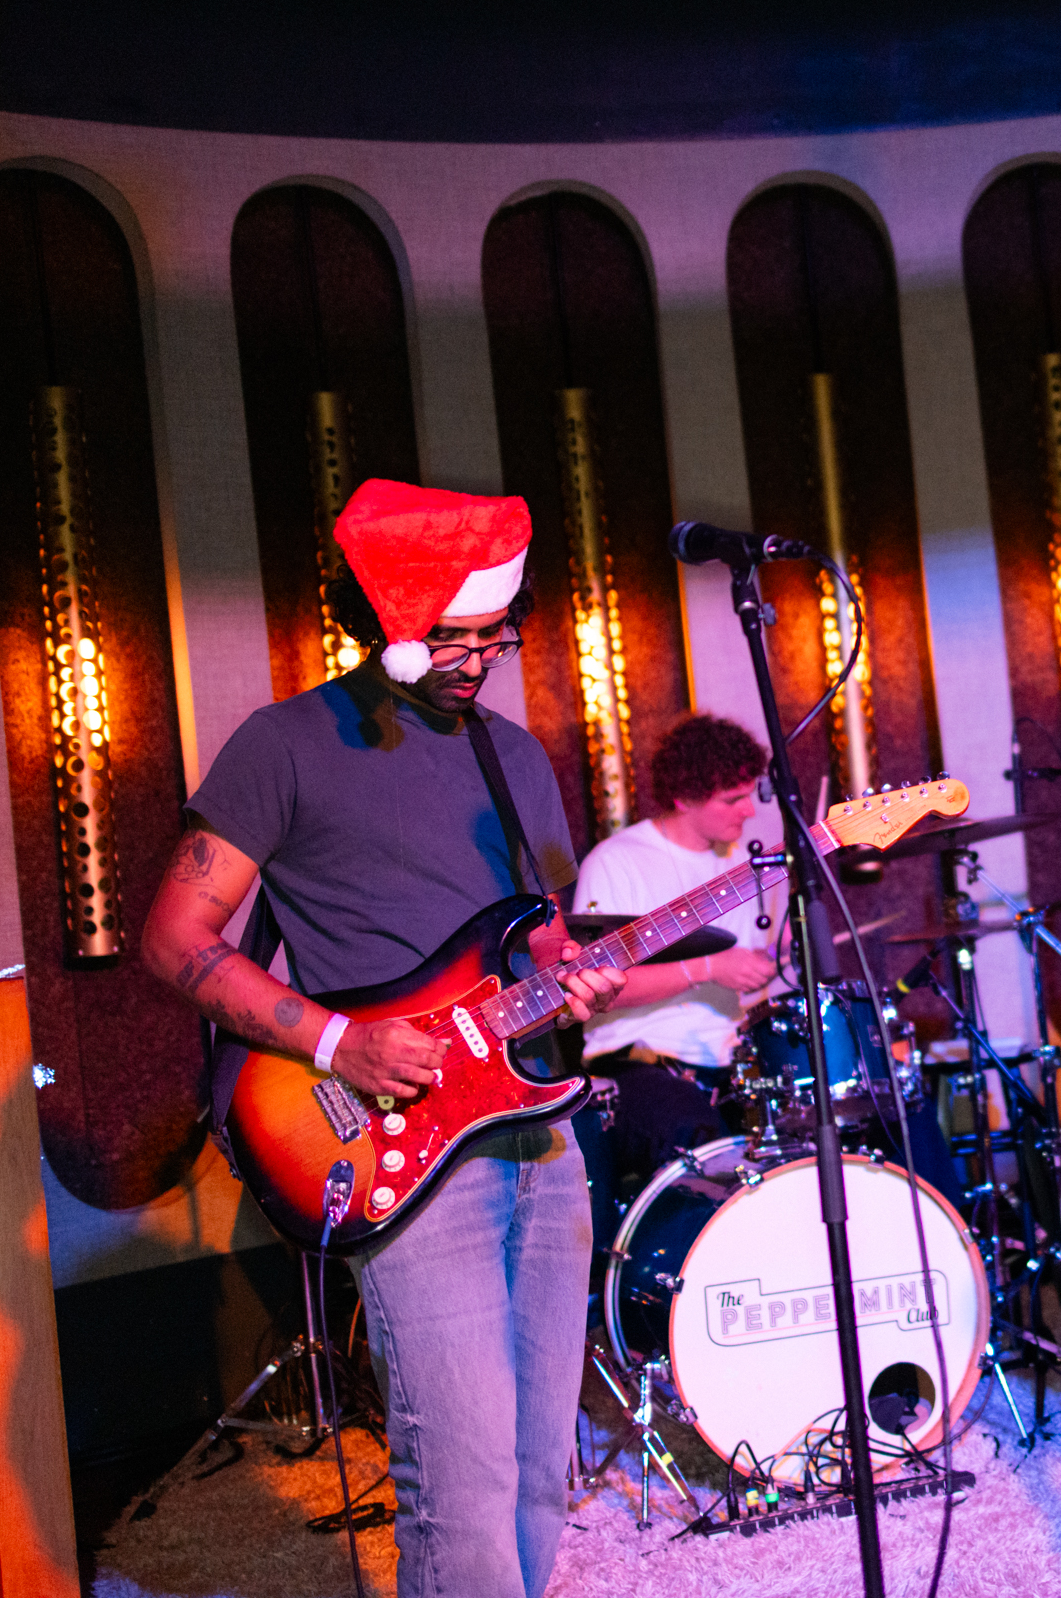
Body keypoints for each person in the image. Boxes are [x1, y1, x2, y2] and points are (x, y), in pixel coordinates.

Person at [139, 478, 624, 1598]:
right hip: (402, 1142)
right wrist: (335, 1040)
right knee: (461, 1485)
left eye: (496, 633)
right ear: (387, 624)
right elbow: (172, 939)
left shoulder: (516, 756)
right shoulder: (285, 745)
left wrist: (577, 979)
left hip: (540, 1135)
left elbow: (541, 939)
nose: (479, 658)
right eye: (453, 637)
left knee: (536, 1475)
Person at [566, 715, 778, 1245]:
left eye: (750, 794)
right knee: (699, 1138)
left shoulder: (744, 867)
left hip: (731, 1067)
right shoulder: (618, 862)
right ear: (685, 798)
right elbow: (595, 991)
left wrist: (760, 971)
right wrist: (707, 969)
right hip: (638, 1068)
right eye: (732, 799)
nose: (749, 810)